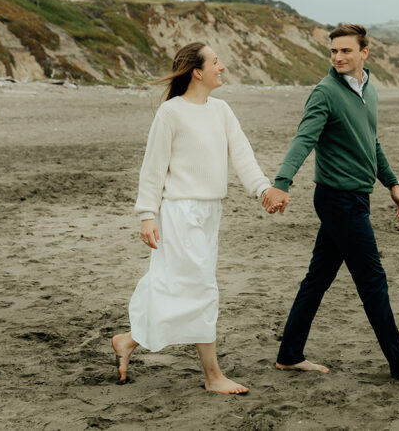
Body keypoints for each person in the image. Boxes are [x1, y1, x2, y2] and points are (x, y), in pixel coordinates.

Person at [261, 23, 399, 381]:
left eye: (346, 51)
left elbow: (370, 141)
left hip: (357, 197)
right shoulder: (324, 93)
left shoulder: (367, 89)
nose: (338, 57)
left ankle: (289, 353)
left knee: (317, 279)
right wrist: (281, 183)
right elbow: (303, 140)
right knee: (372, 279)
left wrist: (391, 183)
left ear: (364, 53)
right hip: (337, 200)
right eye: (333, 51)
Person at [111, 42, 277, 394]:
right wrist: (146, 215)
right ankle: (213, 376)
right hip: (179, 212)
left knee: (181, 286)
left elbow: (242, 156)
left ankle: (129, 340)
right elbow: (152, 168)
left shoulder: (222, 110)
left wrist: (262, 190)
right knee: (200, 288)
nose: (223, 67)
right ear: (197, 72)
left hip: (210, 212)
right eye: (216, 62)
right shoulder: (171, 113)